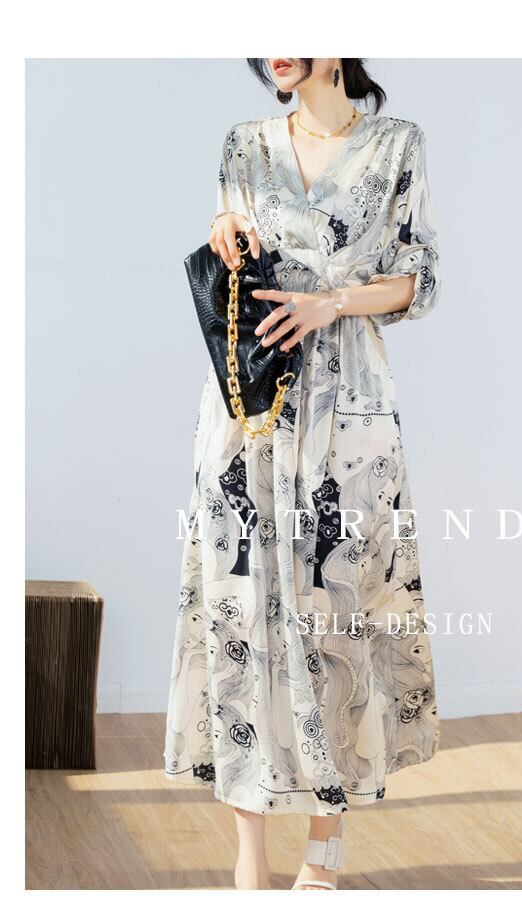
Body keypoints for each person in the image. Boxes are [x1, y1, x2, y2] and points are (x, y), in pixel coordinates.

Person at [164, 57, 442, 891]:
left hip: (348, 404)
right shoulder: (243, 145)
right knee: (239, 604)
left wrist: (332, 302)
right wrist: (225, 228)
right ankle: (247, 849)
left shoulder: (396, 144)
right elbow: (236, 248)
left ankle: (325, 841)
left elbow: (420, 280)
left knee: (335, 609)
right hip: (249, 406)